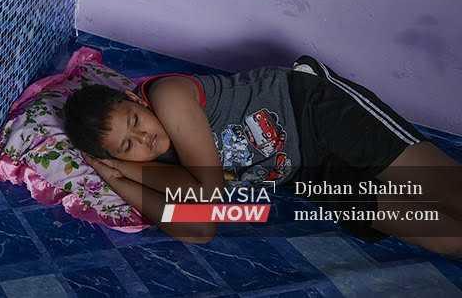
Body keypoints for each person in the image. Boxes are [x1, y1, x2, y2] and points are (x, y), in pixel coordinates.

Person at [61, 56, 462, 257]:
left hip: (313, 111)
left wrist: (131, 168)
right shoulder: (148, 163)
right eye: (128, 146)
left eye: (135, 120)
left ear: (136, 100)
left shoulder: (168, 96)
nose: (145, 139)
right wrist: (116, 179)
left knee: (447, 191)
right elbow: (201, 229)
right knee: (445, 233)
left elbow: (211, 196)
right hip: (308, 173)